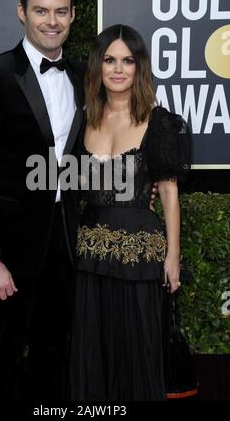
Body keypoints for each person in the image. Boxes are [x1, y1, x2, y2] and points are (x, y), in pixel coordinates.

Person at [0, 0, 86, 402]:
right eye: (41, 11)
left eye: (61, 12)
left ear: (73, 15)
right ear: (21, 12)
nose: (52, 22)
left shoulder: (82, 77)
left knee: (56, 352)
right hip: (9, 251)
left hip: (65, 243)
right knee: (6, 355)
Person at [69, 24, 191, 401]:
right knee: (93, 353)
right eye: (109, 60)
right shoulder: (81, 119)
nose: (118, 69)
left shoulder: (158, 122)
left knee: (138, 352)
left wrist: (173, 256)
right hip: (89, 256)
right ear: (98, 65)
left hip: (141, 256)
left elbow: (169, 192)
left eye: (128, 60)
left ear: (139, 68)